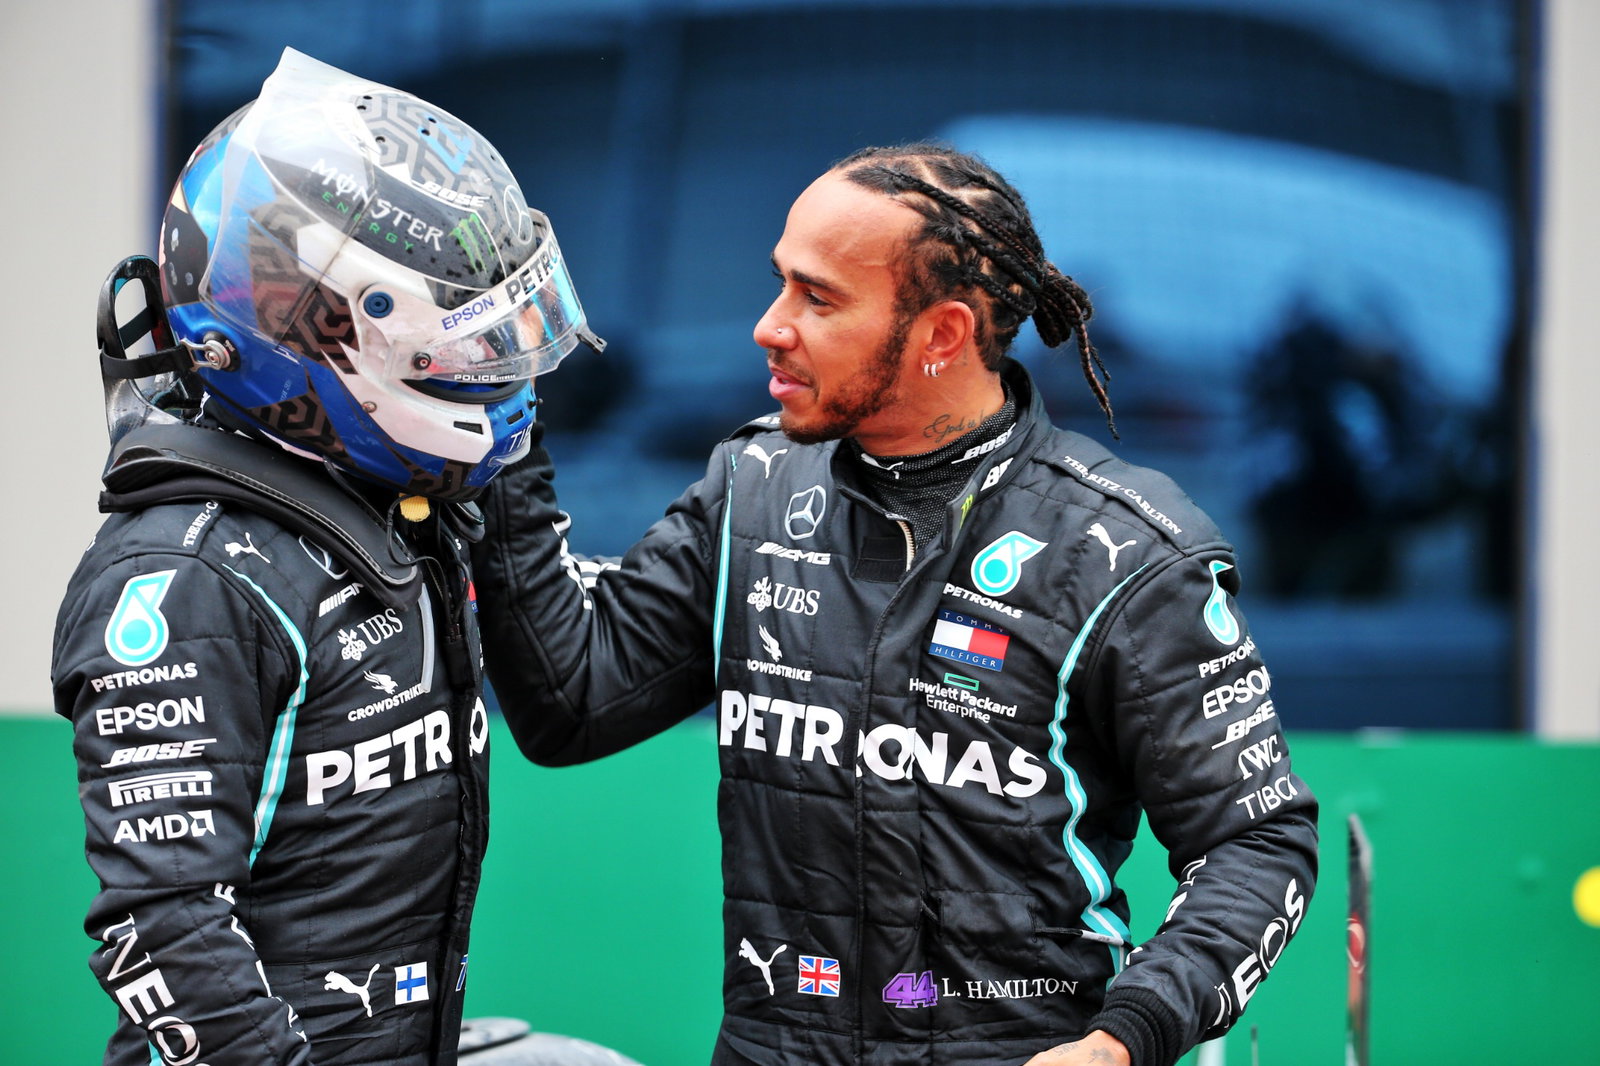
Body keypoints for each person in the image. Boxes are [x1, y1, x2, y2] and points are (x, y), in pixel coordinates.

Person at [472, 143, 1318, 1066]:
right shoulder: (750, 489)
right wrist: (500, 415)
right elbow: (572, 702)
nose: (769, 325)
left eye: (818, 298)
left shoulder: (1123, 552)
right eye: (780, 284)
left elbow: (1257, 841)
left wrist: (1124, 1040)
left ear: (942, 335)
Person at [52, 49, 603, 1065]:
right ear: (314, 339)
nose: (502, 390)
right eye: (463, 359)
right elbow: (163, 928)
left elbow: (575, 677)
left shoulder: (387, 506)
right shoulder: (188, 581)